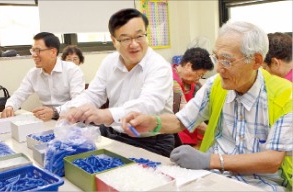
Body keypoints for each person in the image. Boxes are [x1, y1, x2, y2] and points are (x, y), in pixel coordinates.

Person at [122, 21, 292, 191]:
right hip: (214, 175)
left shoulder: (285, 96)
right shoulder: (215, 85)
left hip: (261, 182)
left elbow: (272, 161)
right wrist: (152, 122)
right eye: (216, 57)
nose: (218, 69)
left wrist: (209, 160)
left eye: (226, 61)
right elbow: (181, 120)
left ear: (256, 61)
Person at [62, 8, 175, 157]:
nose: (134, 44)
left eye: (139, 36)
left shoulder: (159, 66)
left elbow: (148, 105)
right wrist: (73, 108)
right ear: (114, 40)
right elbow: (94, 94)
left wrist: (106, 115)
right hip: (114, 134)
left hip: (152, 141)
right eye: (126, 39)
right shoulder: (109, 62)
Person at [1, 32, 85, 121]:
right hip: (47, 121)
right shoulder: (33, 73)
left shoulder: (72, 70)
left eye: (38, 50)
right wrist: (10, 107)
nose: (34, 55)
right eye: (33, 50)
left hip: (71, 120)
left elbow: (78, 101)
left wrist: (55, 112)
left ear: (53, 52)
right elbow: (19, 95)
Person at [173, 47, 213, 145]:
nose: (198, 79)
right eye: (199, 75)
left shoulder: (195, 84)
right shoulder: (172, 82)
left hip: (192, 135)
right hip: (178, 138)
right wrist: (214, 134)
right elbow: (187, 116)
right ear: (188, 66)